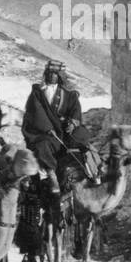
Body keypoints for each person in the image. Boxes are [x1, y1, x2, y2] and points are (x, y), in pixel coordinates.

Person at [22, 59, 95, 193]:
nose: (51, 76)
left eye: (55, 73)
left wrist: (72, 123)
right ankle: (51, 173)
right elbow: (36, 112)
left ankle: (91, 172)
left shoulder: (69, 94)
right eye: (49, 73)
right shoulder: (37, 92)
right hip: (43, 131)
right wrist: (47, 128)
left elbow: (75, 110)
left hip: (63, 131)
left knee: (81, 139)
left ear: (60, 76)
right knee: (43, 145)